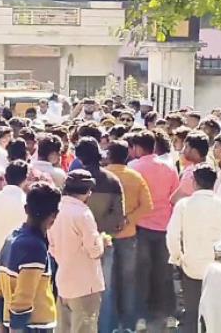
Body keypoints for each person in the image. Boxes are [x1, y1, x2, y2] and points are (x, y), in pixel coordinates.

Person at [166, 164, 221, 333]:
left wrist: (177, 258)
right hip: (218, 269)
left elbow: (172, 235)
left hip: (191, 267)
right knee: (214, 314)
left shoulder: (184, 205)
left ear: (194, 182)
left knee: (192, 313)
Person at [0, 182, 62, 333]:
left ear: (26, 209)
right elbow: (23, 299)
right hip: (32, 327)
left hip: (15, 325)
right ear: (54, 215)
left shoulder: (12, 239)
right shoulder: (34, 247)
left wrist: (1, 326)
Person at [128, 130, 180, 330]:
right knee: (165, 271)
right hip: (165, 225)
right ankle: (167, 314)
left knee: (141, 273)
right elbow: (174, 197)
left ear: (139, 148)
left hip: (141, 226)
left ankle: (141, 316)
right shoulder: (169, 168)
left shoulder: (133, 167)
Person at [74, 137, 124, 333]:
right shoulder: (112, 180)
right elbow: (119, 218)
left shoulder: (74, 180)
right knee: (105, 289)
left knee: (76, 291)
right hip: (104, 242)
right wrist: (101, 230)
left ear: (79, 156)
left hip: (76, 243)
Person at [49, 170, 107, 333]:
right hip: (85, 283)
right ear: (88, 191)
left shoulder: (55, 210)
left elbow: (51, 247)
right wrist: (102, 241)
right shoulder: (83, 213)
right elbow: (94, 250)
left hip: (63, 280)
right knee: (84, 327)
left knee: (63, 328)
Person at [106, 140, 153, 332]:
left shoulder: (103, 176)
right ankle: (128, 326)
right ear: (128, 155)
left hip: (104, 235)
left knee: (107, 283)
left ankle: (108, 325)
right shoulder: (135, 176)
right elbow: (148, 206)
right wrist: (129, 219)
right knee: (128, 282)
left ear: (108, 155)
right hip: (128, 235)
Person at [171, 131, 210, 204]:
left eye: (186, 147)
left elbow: (174, 200)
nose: (183, 150)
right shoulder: (209, 169)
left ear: (194, 151)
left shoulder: (191, 175)